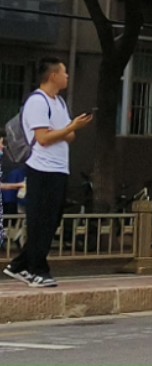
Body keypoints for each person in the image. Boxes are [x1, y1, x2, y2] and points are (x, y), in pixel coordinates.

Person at [3, 57, 93, 288]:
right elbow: (43, 138)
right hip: (41, 169)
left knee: (52, 221)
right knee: (40, 221)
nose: (67, 76)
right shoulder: (37, 101)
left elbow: (69, 137)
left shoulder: (59, 103)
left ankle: (18, 265)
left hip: (59, 168)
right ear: (53, 75)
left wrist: (68, 129)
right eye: (64, 72)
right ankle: (37, 269)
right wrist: (70, 127)